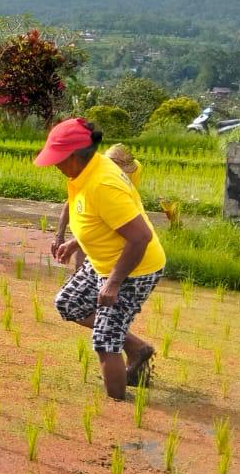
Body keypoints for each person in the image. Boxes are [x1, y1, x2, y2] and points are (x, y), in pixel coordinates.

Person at [36, 119, 164, 400]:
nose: (54, 165)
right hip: (103, 260)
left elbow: (139, 237)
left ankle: (119, 406)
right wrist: (75, 242)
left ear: (73, 155)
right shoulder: (84, 170)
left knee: (105, 342)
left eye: (58, 159)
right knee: (69, 303)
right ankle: (137, 347)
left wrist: (114, 283)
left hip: (133, 268)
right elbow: (97, 219)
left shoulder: (103, 183)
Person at [51, 143, 142, 270]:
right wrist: (59, 235)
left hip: (118, 212)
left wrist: (74, 242)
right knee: (84, 241)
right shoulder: (93, 176)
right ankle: (80, 274)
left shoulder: (134, 170)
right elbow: (69, 204)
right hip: (95, 210)